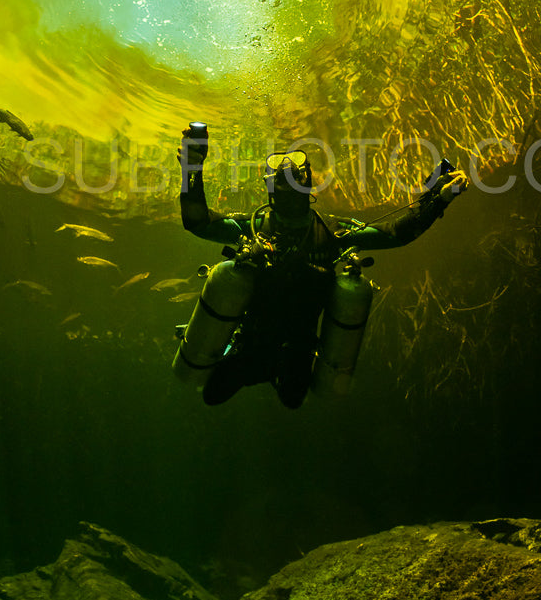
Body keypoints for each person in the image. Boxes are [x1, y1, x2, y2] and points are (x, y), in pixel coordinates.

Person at [175, 125, 468, 409]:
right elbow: (397, 234)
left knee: (287, 400)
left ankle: (264, 374)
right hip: (256, 347)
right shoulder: (312, 232)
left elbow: (198, 221)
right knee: (222, 395)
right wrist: (439, 199)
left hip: (289, 352)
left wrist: (439, 198)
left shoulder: (321, 232)